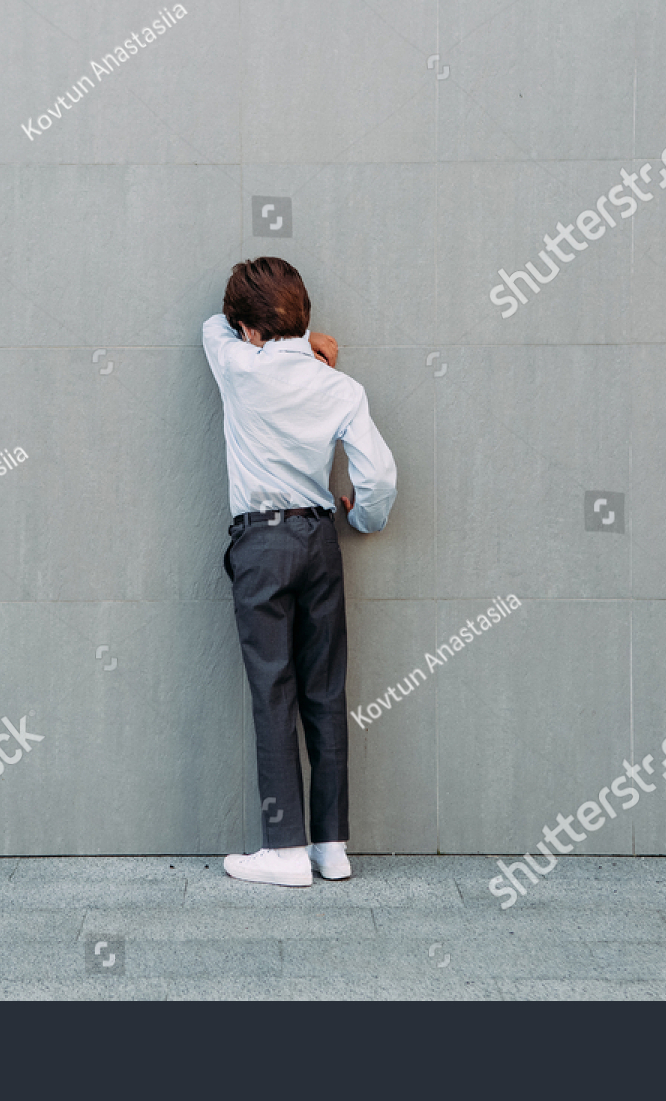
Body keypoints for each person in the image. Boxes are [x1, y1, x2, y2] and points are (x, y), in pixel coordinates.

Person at [201, 257, 397, 886]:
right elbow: (380, 478)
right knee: (325, 691)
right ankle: (330, 847)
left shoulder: (235, 364)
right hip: (318, 538)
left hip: (261, 542)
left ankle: (284, 852)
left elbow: (214, 326)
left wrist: (284, 340)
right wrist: (362, 519)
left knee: (273, 692)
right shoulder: (340, 387)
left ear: (248, 329)